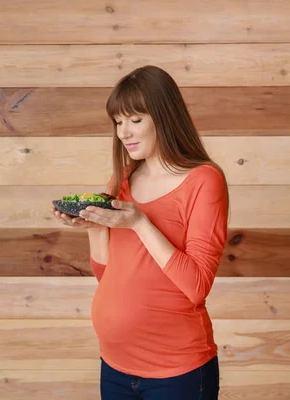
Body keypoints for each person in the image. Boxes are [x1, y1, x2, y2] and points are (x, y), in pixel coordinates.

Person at [51, 65, 229, 399]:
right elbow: (109, 275)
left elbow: (197, 286)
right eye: (118, 122)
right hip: (115, 366)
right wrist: (95, 228)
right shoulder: (123, 179)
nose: (124, 132)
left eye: (135, 120)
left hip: (177, 372)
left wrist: (140, 223)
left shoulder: (204, 181)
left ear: (164, 117)